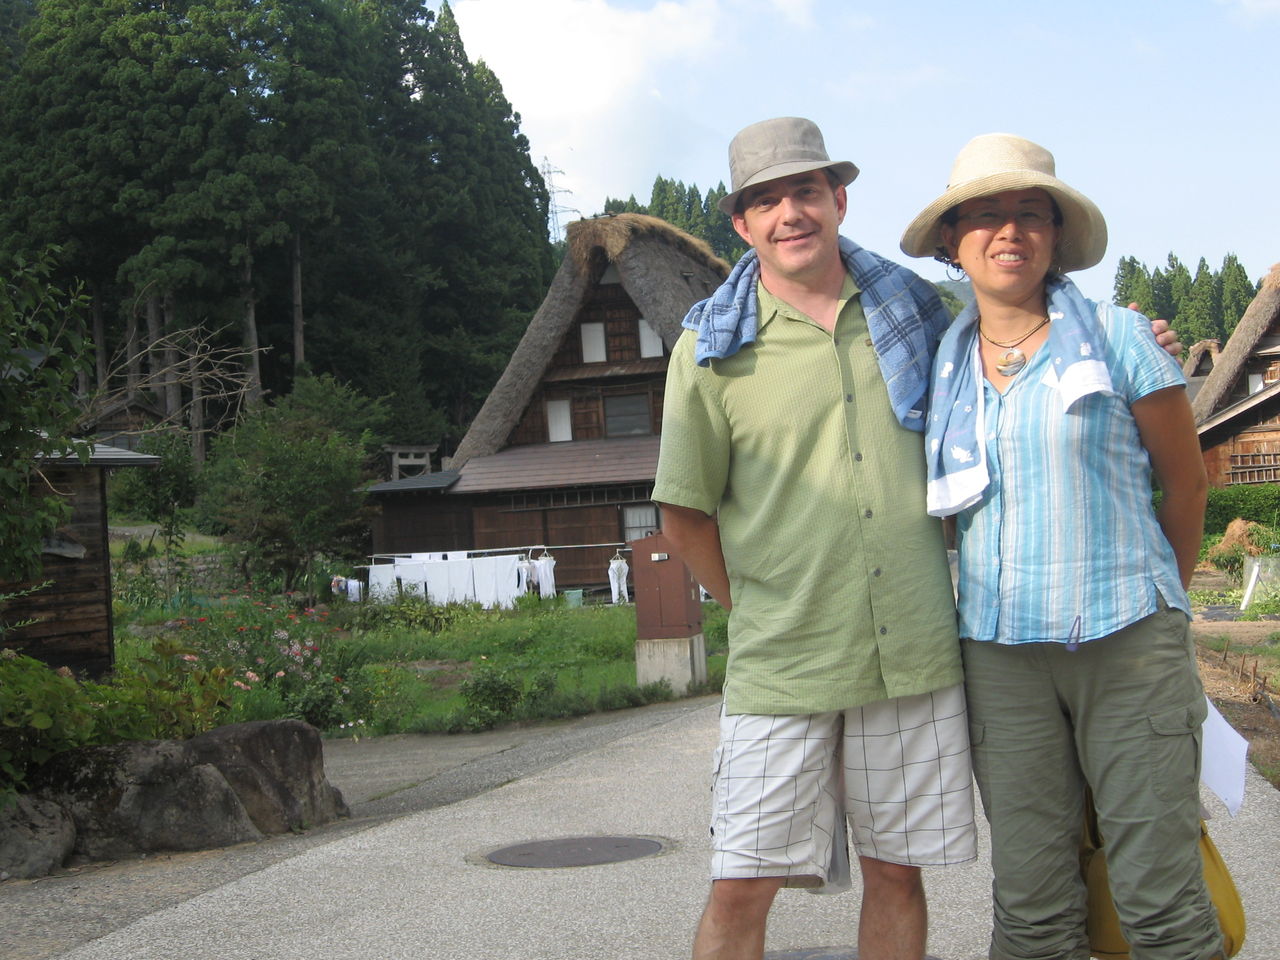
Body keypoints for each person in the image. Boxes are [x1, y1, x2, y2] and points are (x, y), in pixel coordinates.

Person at [653, 116, 978, 960]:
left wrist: (1134, 344)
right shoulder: (709, 350)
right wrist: (756, 605)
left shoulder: (916, 313)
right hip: (784, 660)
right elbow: (683, 516)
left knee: (897, 874)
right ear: (742, 223)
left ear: (839, 199)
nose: (789, 213)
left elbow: (1014, 352)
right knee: (741, 885)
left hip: (912, 649)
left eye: (805, 191)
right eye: (766, 201)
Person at [899, 134, 1220, 960]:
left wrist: (1162, 607)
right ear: (951, 241)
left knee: (1159, 902)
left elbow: (1186, 487)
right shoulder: (939, 369)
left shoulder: (1121, 338)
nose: (1009, 230)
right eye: (986, 215)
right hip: (1001, 658)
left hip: (1128, 642)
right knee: (1031, 909)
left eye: (1030, 213)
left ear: (1055, 234)